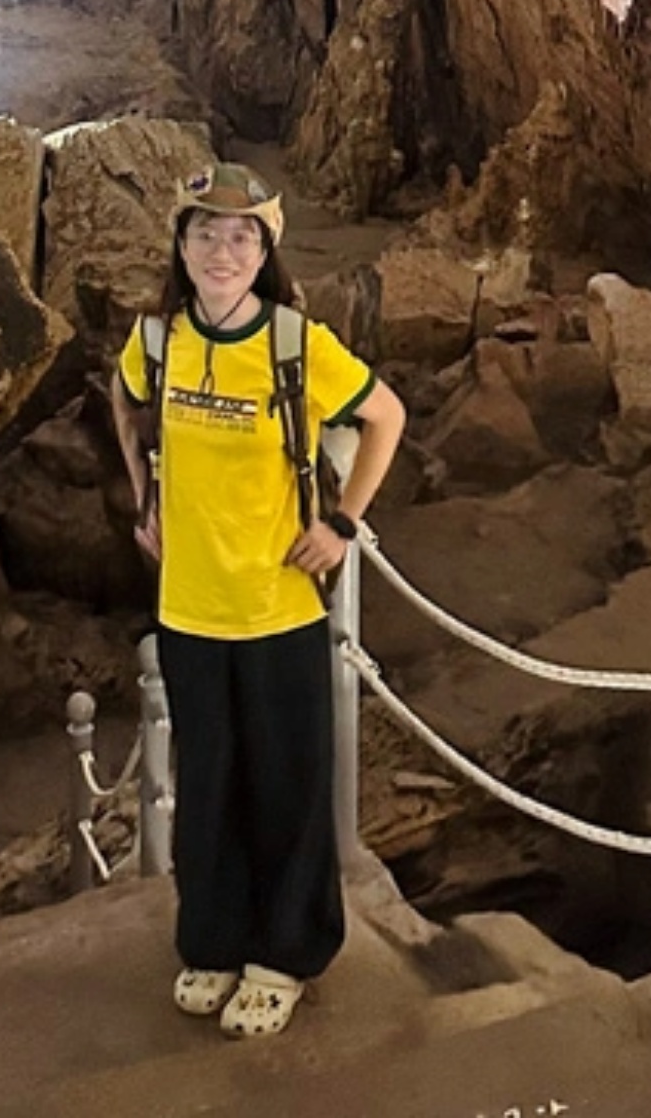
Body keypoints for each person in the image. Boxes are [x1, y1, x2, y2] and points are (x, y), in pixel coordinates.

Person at [109, 161, 407, 1040]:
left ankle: (287, 953)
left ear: (266, 249)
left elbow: (384, 416)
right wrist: (146, 502)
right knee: (207, 787)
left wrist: (345, 522)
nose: (222, 250)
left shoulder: (294, 345)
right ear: (182, 245)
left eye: (242, 236)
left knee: (287, 786)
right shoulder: (159, 341)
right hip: (191, 608)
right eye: (205, 233)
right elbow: (126, 406)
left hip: (278, 608)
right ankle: (212, 941)